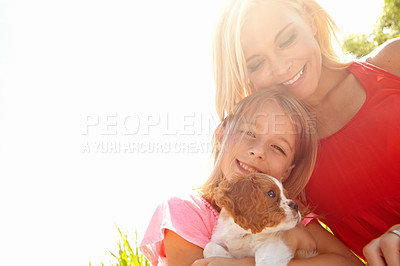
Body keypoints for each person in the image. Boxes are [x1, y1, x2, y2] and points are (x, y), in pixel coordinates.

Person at [211, 0, 400, 264]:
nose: (280, 67)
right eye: (256, 64)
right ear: (246, 76)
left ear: (310, 18)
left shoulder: (393, 62)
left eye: (287, 39)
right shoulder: (284, 166)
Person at [140, 89, 363, 265]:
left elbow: (351, 263)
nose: (258, 151)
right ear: (220, 135)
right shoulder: (186, 210)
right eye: (248, 132)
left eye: (278, 147)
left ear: (287, 171)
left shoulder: (292, 215)